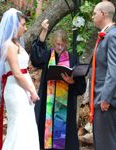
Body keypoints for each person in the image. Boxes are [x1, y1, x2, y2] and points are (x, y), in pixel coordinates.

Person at [30, 19, 86, 150]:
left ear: (66, 43)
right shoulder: (48, 55)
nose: (59, 47)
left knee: (65, 137)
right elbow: (36, 59)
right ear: (53, 43)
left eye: (61, 44)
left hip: (65, 103)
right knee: (45, 131)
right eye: (56, 44)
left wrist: (72, 82)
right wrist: (44, 31)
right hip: (47, 101)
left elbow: (80, 84)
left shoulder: (72, 58)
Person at [0, 8, 40, 150]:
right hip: (16, 89)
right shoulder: (8, 45)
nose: (25, 28)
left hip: (23, 87)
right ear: (14, 25)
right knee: (19, 125)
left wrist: (30, 89)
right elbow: (17, 73)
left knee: (27, 124)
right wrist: (33, 91)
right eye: (23, 24)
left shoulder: (17, 43)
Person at [90, 1, 116, 150]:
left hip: (106, 101)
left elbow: (115, 69)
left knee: (106, 145)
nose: (92, 17)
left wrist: (105, 98)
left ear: (103, 14)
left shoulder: (113, 36)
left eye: (94, 13)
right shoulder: (106, 35)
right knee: (101, 143)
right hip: (99, 98)